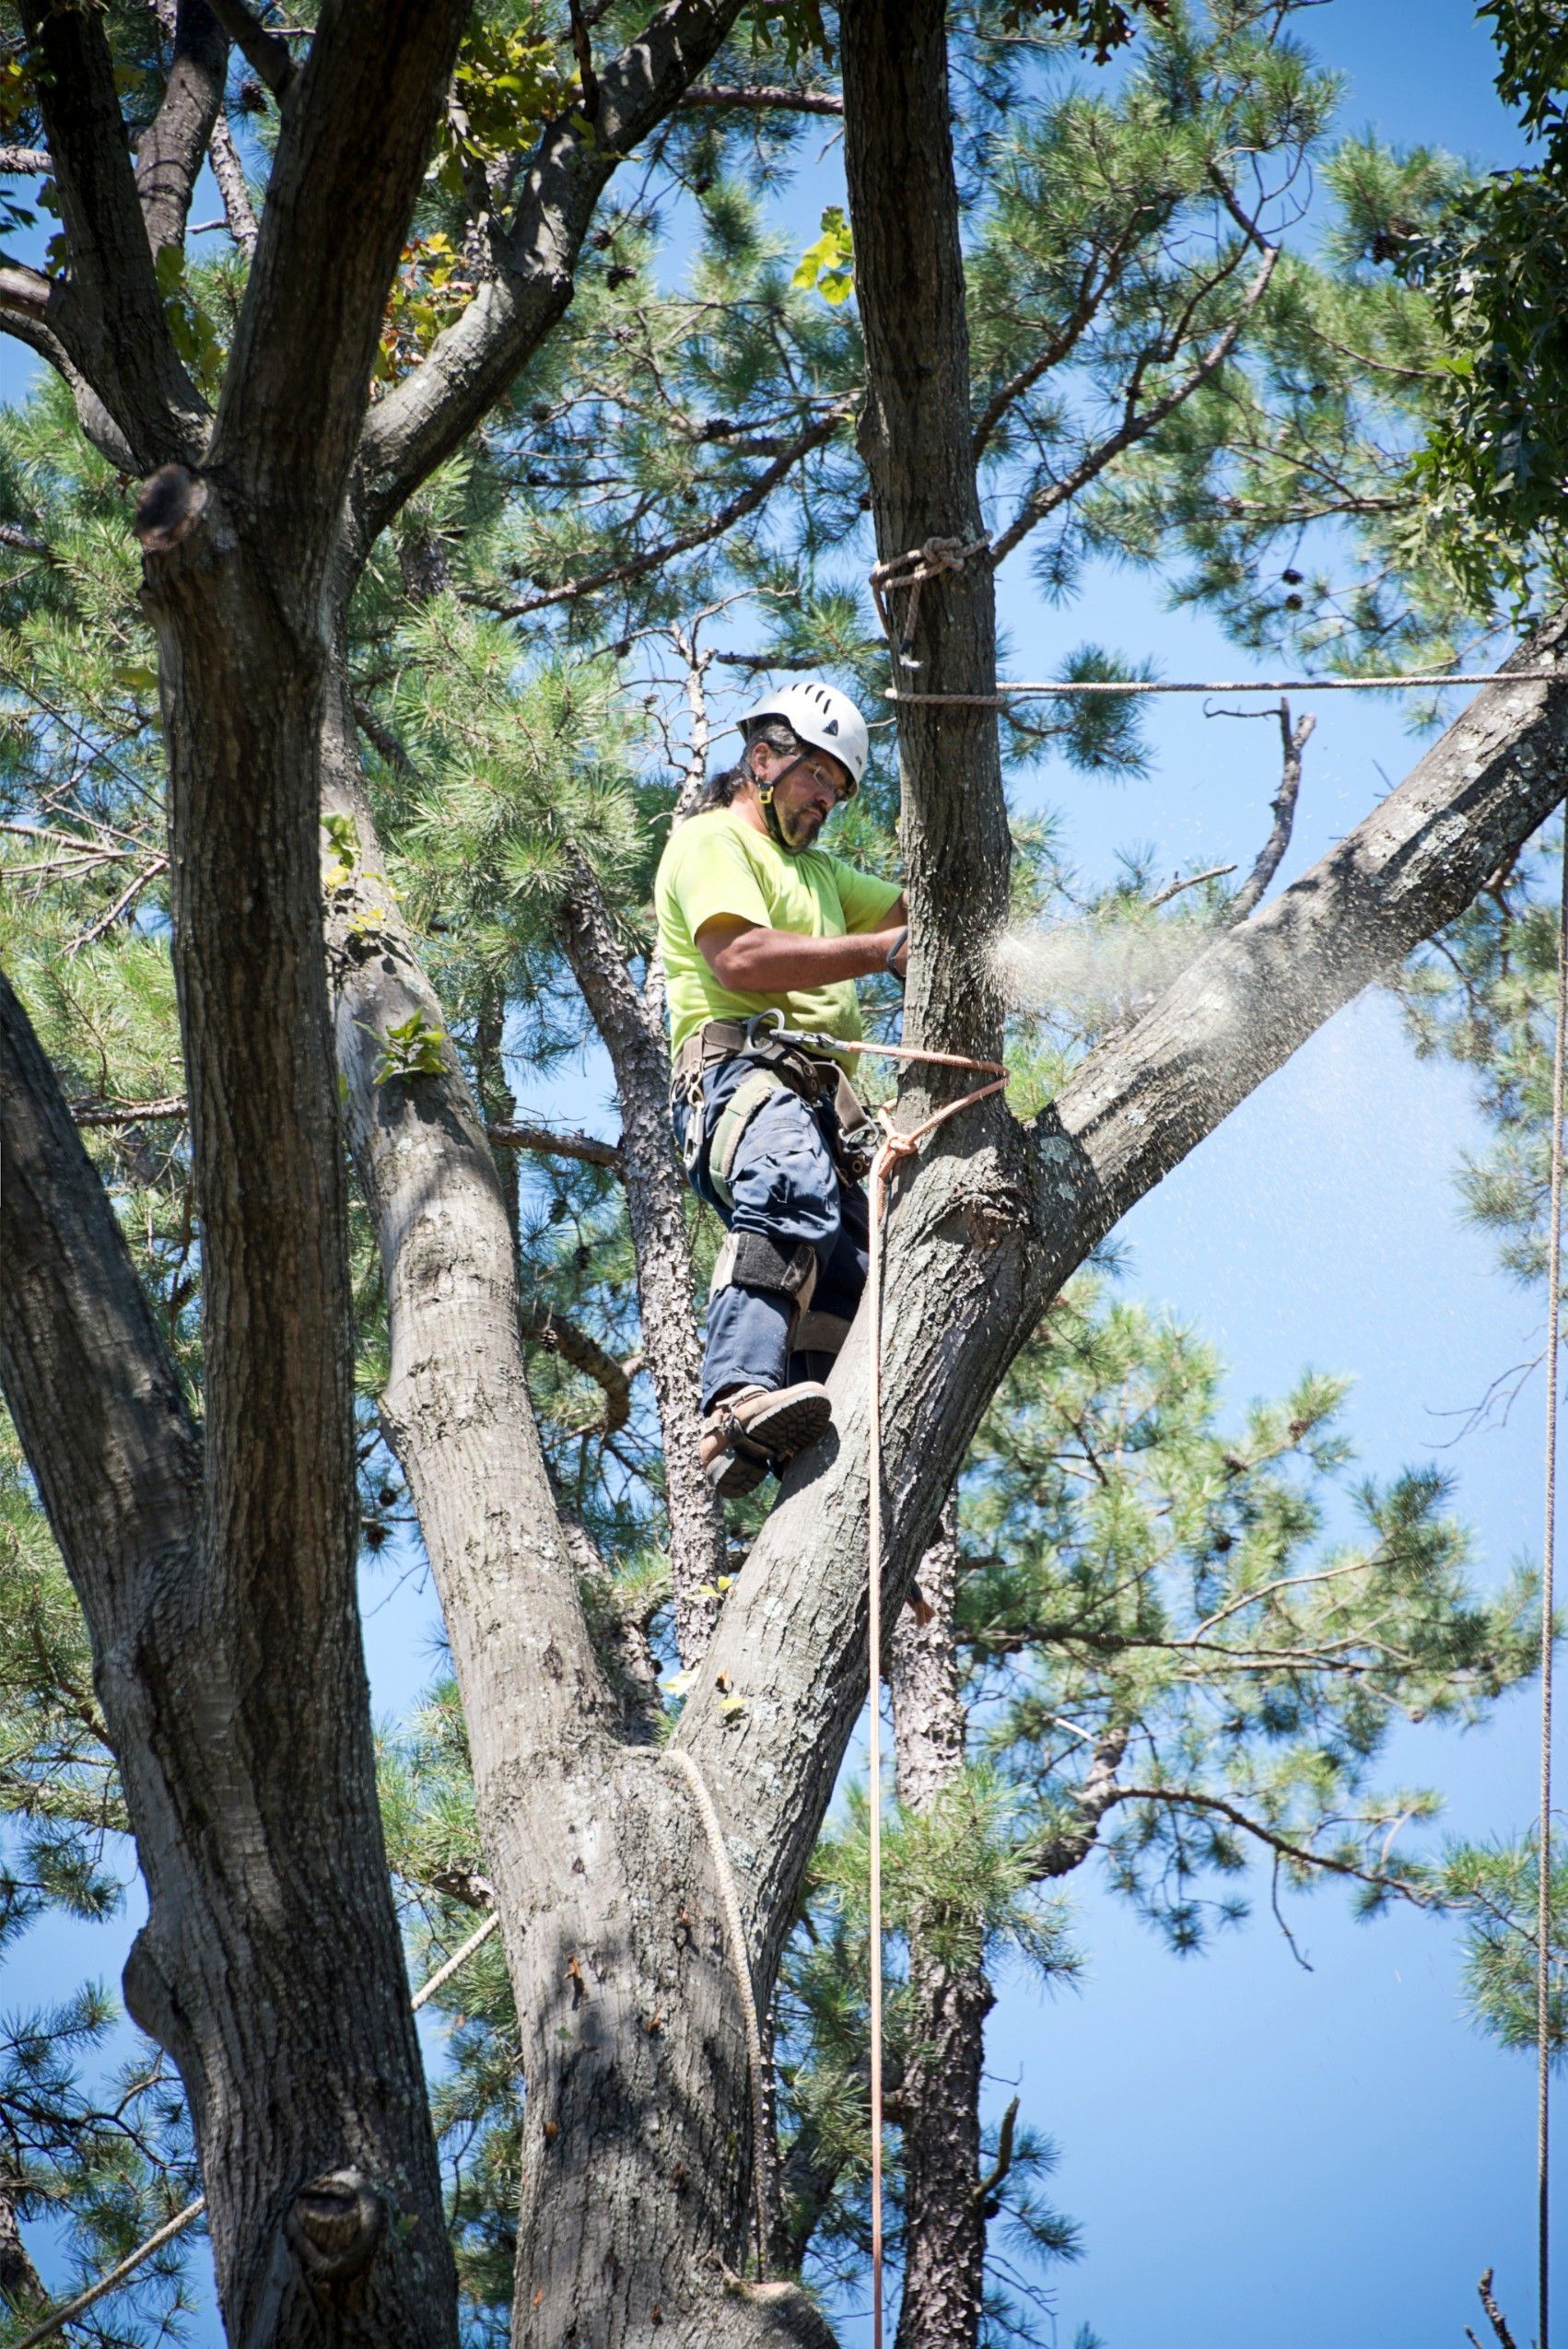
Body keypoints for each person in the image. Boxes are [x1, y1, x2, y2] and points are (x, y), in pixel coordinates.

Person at [655, 680, 909, 1497]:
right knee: (790, 1187)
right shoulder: (711, 843)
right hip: (743, 1078)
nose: (825, 802)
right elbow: (741, 959)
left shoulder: (828, 877)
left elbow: (921, 915)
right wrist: (879, 953)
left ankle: (832, 1481)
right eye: (816, 779)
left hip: (827, 1118)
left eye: (838, 793)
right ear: (763, 759)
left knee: (860, 1280)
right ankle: (734, 1398)